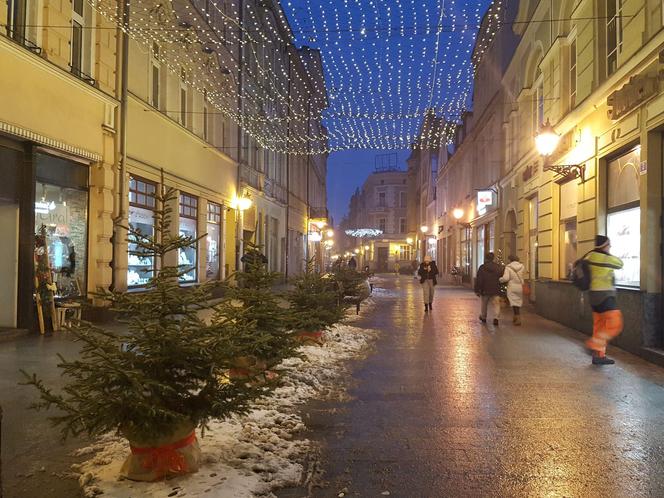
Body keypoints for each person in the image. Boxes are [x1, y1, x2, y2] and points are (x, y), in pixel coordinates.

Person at [584, 235, 624, 365]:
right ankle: (593, 344)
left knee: (599, 326)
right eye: (609, 244)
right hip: (605, 295)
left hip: (593, 296)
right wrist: (608, 253)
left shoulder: (589, 255)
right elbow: (620, 263)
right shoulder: (604, 257)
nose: (610, 247)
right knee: (614, 323)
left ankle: (599, 356)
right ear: (604, 245)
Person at [475, 252, 504, 325]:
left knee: (484, 304)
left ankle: (484, 317)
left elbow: (479, 279)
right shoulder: (498, 267)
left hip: (485, 289)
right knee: (496, 304)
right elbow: (501, 278)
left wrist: (477, 290)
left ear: (486, 258)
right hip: (495, 288)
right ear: (493, 258)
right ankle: (496, 318)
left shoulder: (482, 267)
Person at [499, 255, 525, 325]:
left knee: (514, 302)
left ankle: (517, 318)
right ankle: (516, 317)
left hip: (512, 286)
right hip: (519, 286)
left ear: (510, 260)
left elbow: (506, 278)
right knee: (518, 302)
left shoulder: (508, 267)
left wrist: (500, 279)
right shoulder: (522, 266)